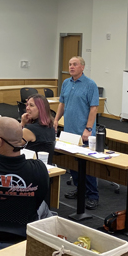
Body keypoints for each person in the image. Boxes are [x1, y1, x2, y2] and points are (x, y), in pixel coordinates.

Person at [54, 56, 100, 210]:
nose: (71, 67)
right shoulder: (66, 83)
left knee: (87, 165)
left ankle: (93, 195)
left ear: (82, 67)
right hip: (69, 131)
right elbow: (62, 103)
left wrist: (88, 129)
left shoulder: (90, 85)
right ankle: (80, 189)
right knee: (73, 164)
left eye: (75, 64)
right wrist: (55, 120)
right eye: (69, 64)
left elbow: (94, 108)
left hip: (84, 132)